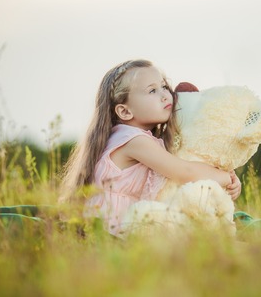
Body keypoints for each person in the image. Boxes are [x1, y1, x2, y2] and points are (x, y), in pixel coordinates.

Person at [59, 59, 241, 236]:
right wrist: (226, 177)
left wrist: (222, 179)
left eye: (163, 86)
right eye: (152, 90)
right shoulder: (133, 140)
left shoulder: (137, 138)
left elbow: (183, 174)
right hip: (111, 233)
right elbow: (184, 171)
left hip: (127, 228)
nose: (164, 95)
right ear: (124, 111)